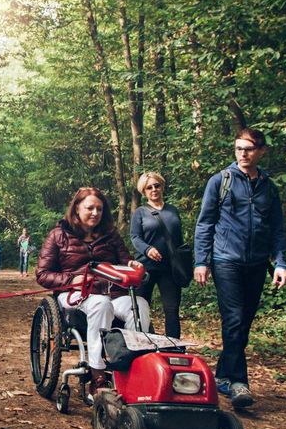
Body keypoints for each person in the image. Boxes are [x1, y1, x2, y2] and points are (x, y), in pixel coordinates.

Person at [193, 127, 286, 410]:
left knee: (243, 324)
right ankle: (238, 383)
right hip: (226, 260)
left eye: (248, 149)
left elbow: (277, 228)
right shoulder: (220, 181)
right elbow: (205, 223)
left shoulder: (268, 187)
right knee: (234, 319)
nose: (243, 154)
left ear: (261, 151)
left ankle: (223, 375)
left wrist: (280, 263)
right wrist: (202, 261)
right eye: (238, 149)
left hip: (257, 262)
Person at [36, 187, 151, 403]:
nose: (95, 213)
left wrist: (132, 265)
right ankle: (98, 375)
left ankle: (132, 368)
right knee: (100, 304)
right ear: (77, 208)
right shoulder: (58, 235)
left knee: (140, 305)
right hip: (74, 294)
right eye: (90, 208)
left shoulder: (111, 236)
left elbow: (125, 262)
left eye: (99, 209)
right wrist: (73, 280)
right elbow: (42, 275)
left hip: (113, 292)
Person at [130, 172, 184, 338]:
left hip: (170, 268)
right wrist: (147, 249)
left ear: (162, 187)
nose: (154, 189)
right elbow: (135, 237)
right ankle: (143, 343)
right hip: (145, 266)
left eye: (157, 185)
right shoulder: (140, 212)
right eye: (149, 187)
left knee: (172, 308)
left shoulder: (172, 210)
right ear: (144, 191)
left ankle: (174, 346)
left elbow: (179, 239)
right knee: (141, 307)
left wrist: (183, 261)